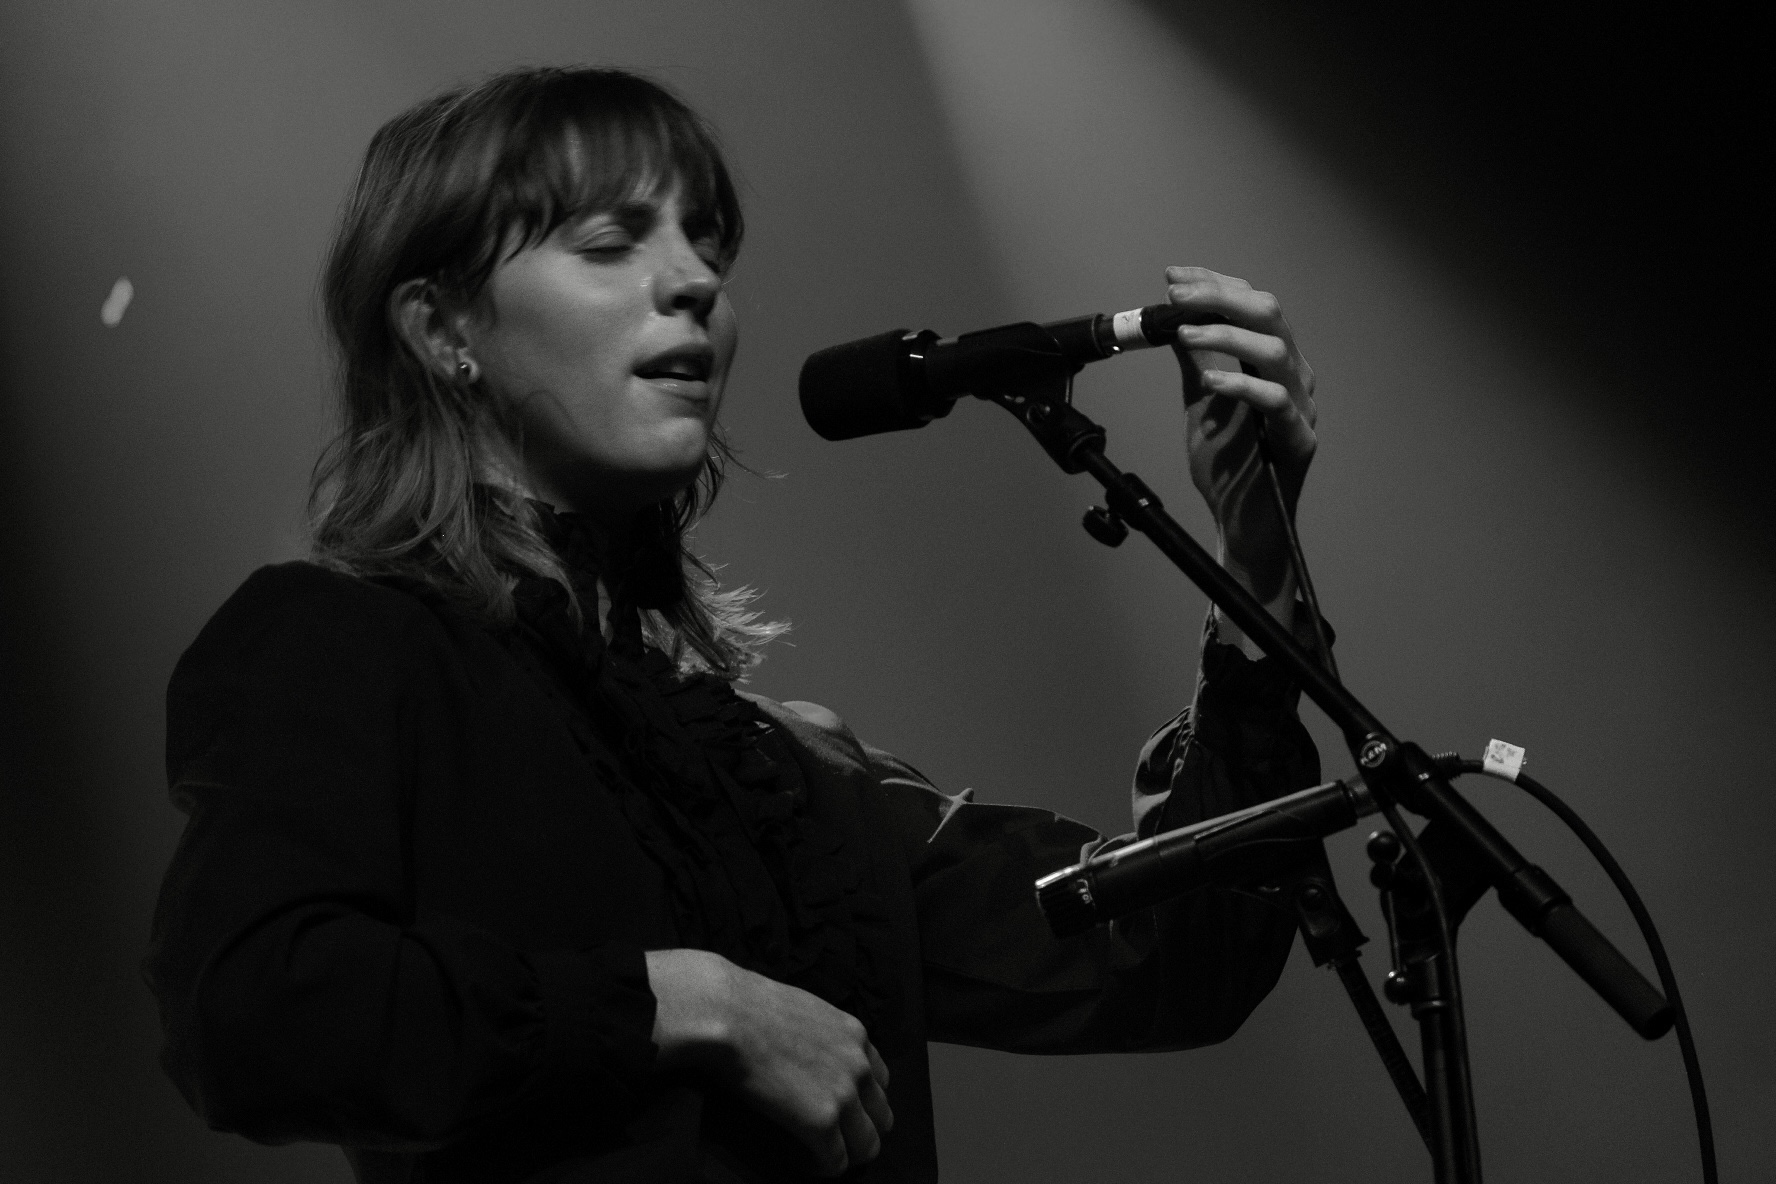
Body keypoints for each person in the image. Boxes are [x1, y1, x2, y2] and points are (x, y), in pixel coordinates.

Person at [144, 67, 1324, 1184]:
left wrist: (1257, 557)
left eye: (707, 243)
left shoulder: (779, 767)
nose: (695, 280)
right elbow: (252, 1010)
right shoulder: (341, 639)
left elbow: (1172, 951)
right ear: (443, 327)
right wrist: (681, 1000)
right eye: (610, 242)